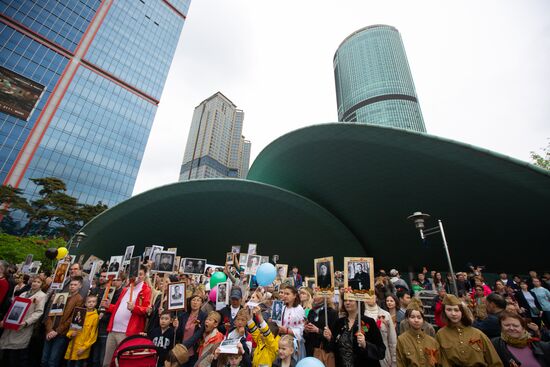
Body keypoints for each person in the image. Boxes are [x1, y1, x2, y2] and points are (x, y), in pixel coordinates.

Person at [101, 264, 152, 367]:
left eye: (140, 274)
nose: (138, 276)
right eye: (136, 273)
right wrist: (108, 306)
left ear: (144, 276)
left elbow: (147, 310)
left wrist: (135, 308)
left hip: (127, 333)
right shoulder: (126, 288)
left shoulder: (146, 290)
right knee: (107, 362)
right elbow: (119, 308)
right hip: (113, 330)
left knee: (122, 361)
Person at [435, 294, 502, 367]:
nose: (453, 314)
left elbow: (494, 361)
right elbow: (440, 361)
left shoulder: (477, 333)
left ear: (463, 312)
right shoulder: (440, 335)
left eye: (456, 310)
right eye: (449, 310)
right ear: (444, 312)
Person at [323, 295, 386, 366]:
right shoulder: (339, 323)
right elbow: (333, 349)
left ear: (358, 302)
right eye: (345, 300)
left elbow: (381, 351)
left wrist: (365, 344)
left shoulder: (368, 322)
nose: (347, 303)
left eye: (350, 300)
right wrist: (330, 339)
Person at [0, 275, 47, 367]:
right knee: (6, 352)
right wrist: (5, 320)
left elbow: (38, 312)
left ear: (42, 285)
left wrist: (26, 322)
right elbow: (12, 308)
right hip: (12, 325)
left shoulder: (42, 296)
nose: (35, 283)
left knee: (16, 353)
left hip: (23, 327)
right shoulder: (24, 293)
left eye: (38, 282)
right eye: (34, 281)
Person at [42, 277, 85, 367]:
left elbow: (72, 318)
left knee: (52, 361)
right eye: (71, 284)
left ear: (80, 286)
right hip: (50, 331)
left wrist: (56, 331)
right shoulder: (62, 296)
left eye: (75, 285)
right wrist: (49, 329)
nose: (72, 286)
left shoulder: (79, 299)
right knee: (44, 360)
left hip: (61, 334)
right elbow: (50, 314)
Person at [396, 298, 439, 367]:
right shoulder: (401, 338)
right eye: (412, 317)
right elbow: (401, 361)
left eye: (419, 317)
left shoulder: (431, 337)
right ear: (407, 318)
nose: (416, 320)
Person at [65, 294, 100, 366]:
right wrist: (71, 334)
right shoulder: (79, 313)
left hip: (82, 349)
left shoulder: (95, 317)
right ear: (85, 303)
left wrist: (84, 348)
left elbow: (93, 335)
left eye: (93, 302)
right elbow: (72, 327)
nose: (91, 303)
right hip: (73, 346)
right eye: (89, 302)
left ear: (96, 303)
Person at [304, 292, 338, 364]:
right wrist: (306, 330)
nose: (314, 297)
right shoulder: (311, 312)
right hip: (310, 350)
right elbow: (307, 336)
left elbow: (333, 337)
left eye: (317, 295)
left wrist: (318, 330)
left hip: (323, 350)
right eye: (314, 295)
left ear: (325, 296)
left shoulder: (332, 313)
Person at [364, 292, 396, 367]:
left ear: (376, 297)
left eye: (372, 294)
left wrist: (394, 359)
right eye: (367, 294)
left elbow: (392, 340)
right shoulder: (360, 315)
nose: (370, 296)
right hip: (366, 354)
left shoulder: (386, 315)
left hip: (384, 356)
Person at [175, 293, 207, 367]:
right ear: (190, 302)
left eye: (198, 300)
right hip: (182, 353)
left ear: (201, 303)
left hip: (194, 351)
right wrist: (176, 327)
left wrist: (184, 346)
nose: (195, 302)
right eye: (193, 300)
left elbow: (199, 334)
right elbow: (178, 334)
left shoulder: (203, 316)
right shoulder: (183, 316)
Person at [278, 285, 306, 359]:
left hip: (294, 343)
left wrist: (287, 331)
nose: (285, 296)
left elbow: (301, 330)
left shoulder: (299, 309)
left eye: (287, 294)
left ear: (294, 295)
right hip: (283, 342)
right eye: (284, 293)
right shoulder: (283, 308)